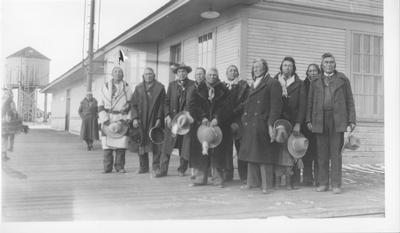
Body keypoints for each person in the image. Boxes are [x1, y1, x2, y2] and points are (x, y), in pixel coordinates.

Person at [306, 53, 356, 194]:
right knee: (321, 153)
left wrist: (351, 120)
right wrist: (308, 119)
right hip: (320, 119)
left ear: (335, 64)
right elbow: (310, 102)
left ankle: (336, 184)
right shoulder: (315, 81)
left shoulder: (343, 79)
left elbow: (349, 100)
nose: (329, 64)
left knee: (336, 153)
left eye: (331, 62)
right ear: (322, 65)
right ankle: (323, 183)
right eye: (326, 62)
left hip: (338, 120)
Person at [238, 59, 282, 194]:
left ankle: (267, 185)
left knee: (264, 156)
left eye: (259, 67)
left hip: (263, 123)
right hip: (251, 123)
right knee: (252, 153)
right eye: (254, 67)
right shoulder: (254, 83)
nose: (256, 69)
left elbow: (276, 107)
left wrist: (271, 124)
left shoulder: (272, 83)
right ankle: (252, 182)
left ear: (265, 68)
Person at [187, 67, 232, 187]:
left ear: (217, 76)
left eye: (214, 75)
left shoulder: (224, 89)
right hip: (201, 126)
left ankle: (218, 179)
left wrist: (218, 118)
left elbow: (228, 106)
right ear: (206, 76)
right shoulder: (198, 89)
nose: (212, 77)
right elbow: (192, 106)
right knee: (202, 152)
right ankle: (200, 178)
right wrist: (202, 117)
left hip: (218, 127)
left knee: (217, 152)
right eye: (210, 75)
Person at [273, 57, 306, 190]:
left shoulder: (299, 84)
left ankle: (292, 182)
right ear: (281, 67)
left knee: (292, 151)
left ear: (293, 68)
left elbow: (302, 105)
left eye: (290, 66)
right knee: (277, 151)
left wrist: (298, 122)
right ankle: (275, 181)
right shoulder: (274, 81)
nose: (287, 68)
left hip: (292, 121)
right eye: (285, 65)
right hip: (277, 122)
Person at [158, 63, 195, 177]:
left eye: (184, 71)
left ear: (187, 73)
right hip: (173, 120)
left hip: (185, 120)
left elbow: (194, 103)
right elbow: (166, 102)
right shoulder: (172, 85)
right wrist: (167, 115)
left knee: (185, 145)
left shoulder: (193, 85)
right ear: (177, 73)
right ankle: (163, 170)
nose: (181, 73)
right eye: (179, 72)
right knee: (168, 145)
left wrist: (188, 116)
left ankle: (182, 169)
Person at [131, 67, 166, 174]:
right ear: (143, 75)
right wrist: (135, 118)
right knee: (141, 142)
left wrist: (159, 118)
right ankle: (143, 167)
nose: (148, 76)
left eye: (150, 74)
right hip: (141, 120)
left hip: (154, 119)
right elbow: (133, 104)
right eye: (146, 74)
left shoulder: (160, 87)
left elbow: (163, 105)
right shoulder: (138, 88)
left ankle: (155, 167)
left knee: (156, 143)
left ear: (154, 75)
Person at [98, 66, 132, 173]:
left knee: (121, 145)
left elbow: (131, 104)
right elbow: (100, 105)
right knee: (107, 146)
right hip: (108, 118)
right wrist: (104, 119)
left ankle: (120, 167)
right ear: (112, 74)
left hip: (122, 118)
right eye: (115, 72)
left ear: (123, 75)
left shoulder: (127, 87)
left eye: (120, 72)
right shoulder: (105, 86)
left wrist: (128, 118)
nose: (118, 73)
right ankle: (107, 168)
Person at [223, 65, 250, 183]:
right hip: (225, 121)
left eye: (235, 70)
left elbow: (246, 102)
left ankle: (244, 175)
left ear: (238, 73)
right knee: (227, 148)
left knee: (241, 148)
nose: (233, 72)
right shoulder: (221, 86)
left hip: (240, 120)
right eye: (230, 70)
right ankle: (228, 175)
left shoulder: (243, 85)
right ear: (226, 74)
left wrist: (235, 111)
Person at [300, 64, 321, 186]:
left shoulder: (321, 84)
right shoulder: (303, 85)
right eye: (310, 71)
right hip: (306, 123)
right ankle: (308, 178)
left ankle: (319, 178)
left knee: (319, 152)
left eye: (315, 71)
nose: (312, 73)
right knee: (307, 151)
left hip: (319, 123)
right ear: (307, 73)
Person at [2, 89, 17, 161]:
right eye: (11, 94)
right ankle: (4, 154)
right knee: (5, 138)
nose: (12, 95)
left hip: (5, 121)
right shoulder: (10, 101)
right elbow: (13, 110)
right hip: (7, 121)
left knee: (5, 138)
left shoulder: (4, 101)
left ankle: (4, 153)